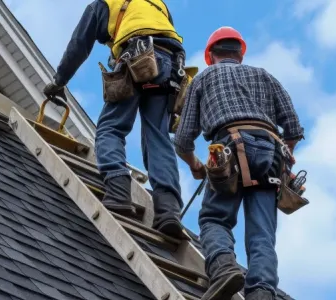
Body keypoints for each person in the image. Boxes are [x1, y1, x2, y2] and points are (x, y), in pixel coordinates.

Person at [174, 26, 305, 300]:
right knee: (262, 233)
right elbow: (293, 128)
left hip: (229, 148)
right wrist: (284, 157)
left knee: (214, 218)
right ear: (240, 54)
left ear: (211, 55)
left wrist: (195, 164)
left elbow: (183, 139)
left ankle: (223, 268)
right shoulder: (264, 76)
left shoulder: (203, 79)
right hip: (271, 153)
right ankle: (261, 293)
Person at [43, 0, 189, 239]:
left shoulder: (104, 4)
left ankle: (119, 190)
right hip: (172, 66)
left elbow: (79, 45)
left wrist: (59, 81)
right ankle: (169, 211)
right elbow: (165, 39)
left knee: (111, 128)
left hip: (137, 54)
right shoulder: (159, 5)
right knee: (158, 137)